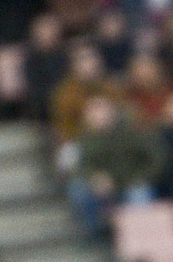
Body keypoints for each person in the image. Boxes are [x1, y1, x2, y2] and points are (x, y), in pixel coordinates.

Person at [69, 94, 164, 236]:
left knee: (140, 195)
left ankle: (138, 238)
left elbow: (157, 159)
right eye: (92, 113)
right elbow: (81, 165)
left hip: (132, 182)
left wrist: (137, 178)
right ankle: (96, 230)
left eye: (101, 111)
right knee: (78, 190)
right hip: (104, 187)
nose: (97, 117)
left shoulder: (133, 130)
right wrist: (95, 177)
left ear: (111, 112)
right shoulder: (87, 137)